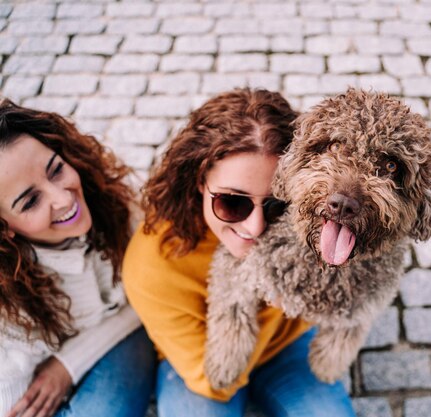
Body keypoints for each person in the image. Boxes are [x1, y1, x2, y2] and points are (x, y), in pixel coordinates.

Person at [122, 88, 356, 417]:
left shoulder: (314, 222)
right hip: (201, 360)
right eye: (232, 202)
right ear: (200, 181)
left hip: (288, 344)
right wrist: (267, 295)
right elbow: (213, 382)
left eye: (278, 206)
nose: (256, 226)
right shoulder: (153, 265)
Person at [0, 100, 156, 417]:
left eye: (56, 170)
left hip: (122, 346)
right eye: (30, 201)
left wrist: (66, 366)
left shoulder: (116, 203)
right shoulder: (8, 305)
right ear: (5, 230)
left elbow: (153, 297)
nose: (64, 197)